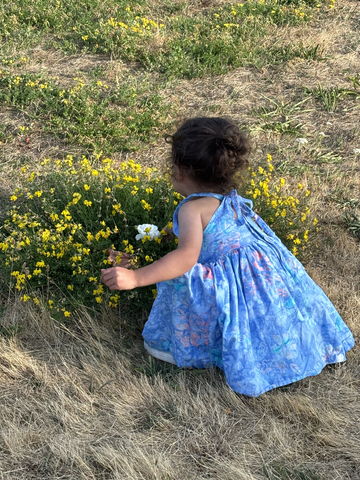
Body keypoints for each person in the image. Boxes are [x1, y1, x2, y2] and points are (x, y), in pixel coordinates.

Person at [101, 117, 354, 397]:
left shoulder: (192, 210)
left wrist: (137, 277)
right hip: (262, 278)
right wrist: (144, 251)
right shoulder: (230, 200)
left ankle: (189, 347)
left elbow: (186, 257)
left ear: (180, 170)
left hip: (231, 284)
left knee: (180, 275)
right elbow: (195, 237)